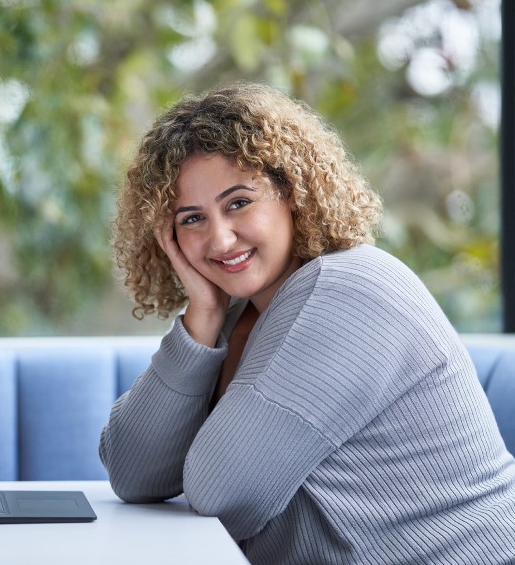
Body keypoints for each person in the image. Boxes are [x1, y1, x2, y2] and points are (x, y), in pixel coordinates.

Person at [99, 82, 515, 564]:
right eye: (191, 219)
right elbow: (133, 473)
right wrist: (203, 317)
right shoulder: (237, 312)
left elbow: (221, 489)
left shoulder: (347, 288)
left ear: (291, 192)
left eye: (238, 203)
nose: (221, 238)